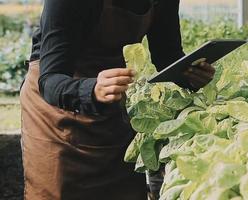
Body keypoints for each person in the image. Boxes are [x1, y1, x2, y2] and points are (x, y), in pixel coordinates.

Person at [20, 0, 215, 199]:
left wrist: (190, 76)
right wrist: (92, 89)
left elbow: (166, 53)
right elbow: (50, 80)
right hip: (57, 114)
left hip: (113, 101)